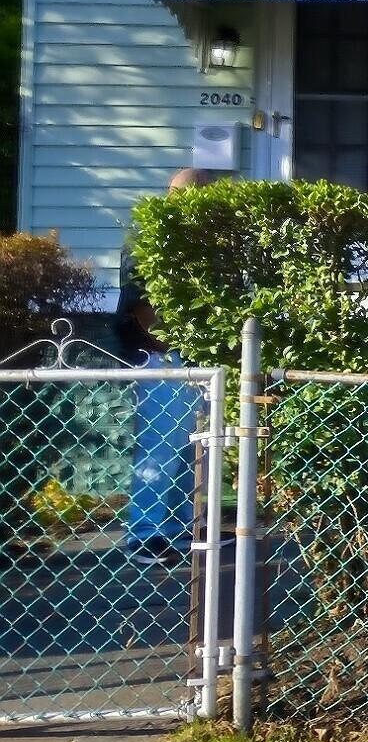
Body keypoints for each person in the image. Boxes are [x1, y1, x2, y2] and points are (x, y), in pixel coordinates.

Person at [117, 167, 215, 566]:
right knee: (159, 445)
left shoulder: (207, 236)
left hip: (196, 355)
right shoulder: (150, 235)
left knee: (192, 449)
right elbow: (138, 300)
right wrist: (166, 342)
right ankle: (145, 535)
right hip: (161, 355)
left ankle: (177, 530)